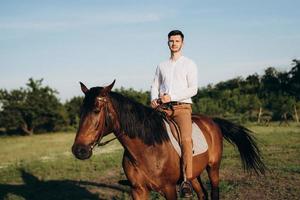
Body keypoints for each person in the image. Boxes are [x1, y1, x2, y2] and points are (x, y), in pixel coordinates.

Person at [150, 30, 198, 197]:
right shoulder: (161, 65)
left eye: (177, 41)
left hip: (181, 108)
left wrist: (172, 96)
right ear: (168, 43)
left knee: (185, 139)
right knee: (144, 131)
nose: (174, 43)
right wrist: (153, 99)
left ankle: (187, 180)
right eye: (171, 41)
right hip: (162, 108)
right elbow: (155, 85)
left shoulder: (189, 64)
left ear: (182, 43)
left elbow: (193, 89)